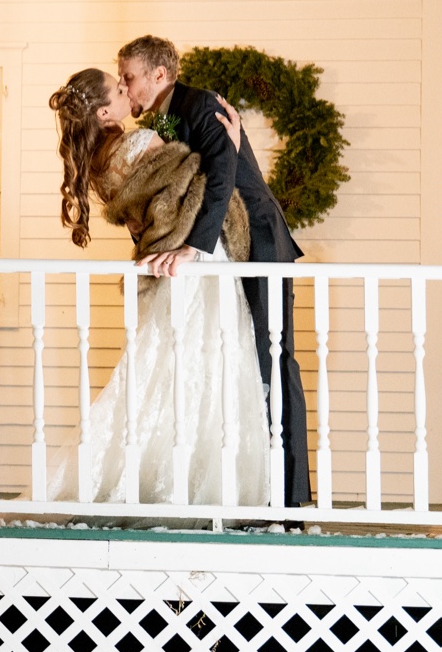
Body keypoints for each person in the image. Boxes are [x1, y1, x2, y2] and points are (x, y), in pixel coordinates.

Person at [44, 66, 268, 506]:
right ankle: (197, 482)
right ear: (106, 111)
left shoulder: (98, 166)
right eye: (119, 85)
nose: (127, 88)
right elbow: (199, 186)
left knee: (171, 366)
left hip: (165, 261)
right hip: (195, 257)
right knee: (210, 363)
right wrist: (233, 147)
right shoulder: (140, 143)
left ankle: (158, 474)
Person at [115, 35, 312, 506]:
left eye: (129, 76)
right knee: (235, 361)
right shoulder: (165, 117)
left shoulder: (201, 105)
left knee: (272, 360)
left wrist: (193, 248)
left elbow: (223, 173)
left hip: (260, 242)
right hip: (229, 246)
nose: (124, 85)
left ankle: (288, 496)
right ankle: (247, 488)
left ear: (159, 75)